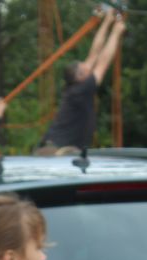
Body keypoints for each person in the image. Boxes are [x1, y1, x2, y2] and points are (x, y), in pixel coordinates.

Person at [36, 8, 126, 154]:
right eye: (84, 67)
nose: (88, 65)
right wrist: (116, 32)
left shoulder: (75, 87)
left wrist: (107, 21)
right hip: (56, 151)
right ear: (80, 77)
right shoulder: (81, 90)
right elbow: (103, 62)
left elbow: (94, 53)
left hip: (55, 147)